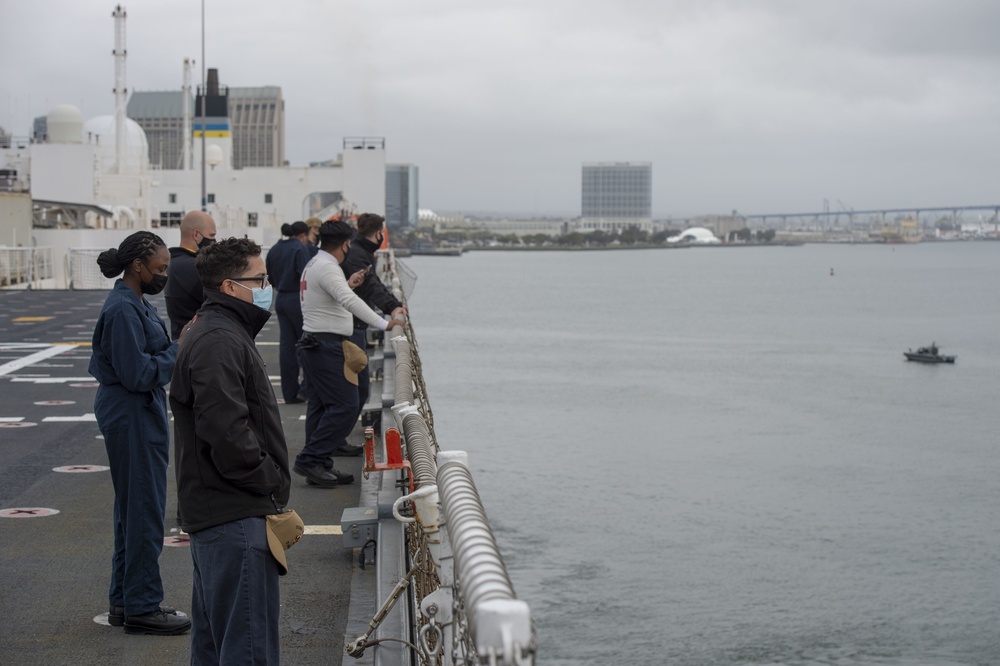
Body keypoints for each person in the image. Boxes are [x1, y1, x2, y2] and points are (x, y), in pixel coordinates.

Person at [170, 237, 292, 663]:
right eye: (258, 279)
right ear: (228, 287)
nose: (266, 287)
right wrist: (270, 482)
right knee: (248, 649)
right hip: (234, 515)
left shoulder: (218, 330)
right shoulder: (220, 340)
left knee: (216, 646)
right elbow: (225, 433)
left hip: (220, 514)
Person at [89, 231, 191, 636]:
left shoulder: (135, 303)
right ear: (138, 266)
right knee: (145, 509)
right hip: (131, 410)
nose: (164, 274)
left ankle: (124, 599)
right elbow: (138, 374)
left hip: (137, 410)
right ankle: (144, 606)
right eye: (160, 268)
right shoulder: (122, 310)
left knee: (131, 509)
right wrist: (179, 347)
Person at [295, 220, 405, 486]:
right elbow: (349, 301)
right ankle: (311, 459)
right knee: (346, 404)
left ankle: (321, 463)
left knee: (322, 406)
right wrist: (385, 322)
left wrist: (348, 283)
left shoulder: (316, 264)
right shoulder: (327, 268)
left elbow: (335, 295)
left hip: (315, 343)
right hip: (326, 346)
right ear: (345, 245)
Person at [337, 212, 407, 454]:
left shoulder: (359, 252)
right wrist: (392, 309)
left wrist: (393, 304)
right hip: (351, 328)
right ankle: (332, 444)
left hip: (352, 326)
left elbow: (375, 284)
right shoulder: (359, 256)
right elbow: (372, 287)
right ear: (378, 234)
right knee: (357, 390)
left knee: (348, 392)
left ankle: (334, 442)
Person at [265, 221, 312, 403]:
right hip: (297, 299)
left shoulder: (275, 249)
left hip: (281, 298)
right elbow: (306, 277)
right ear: (302, 235)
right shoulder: (300, 249)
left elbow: (270, 275)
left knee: (287, 348)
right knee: (307, 344)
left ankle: (289, 392)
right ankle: (306, 388)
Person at [164, 211, 217, 340]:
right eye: (211, 235)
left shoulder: (174, 262)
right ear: (196, 235)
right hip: (200, 341)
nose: (214, 240)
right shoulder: (193, 267)